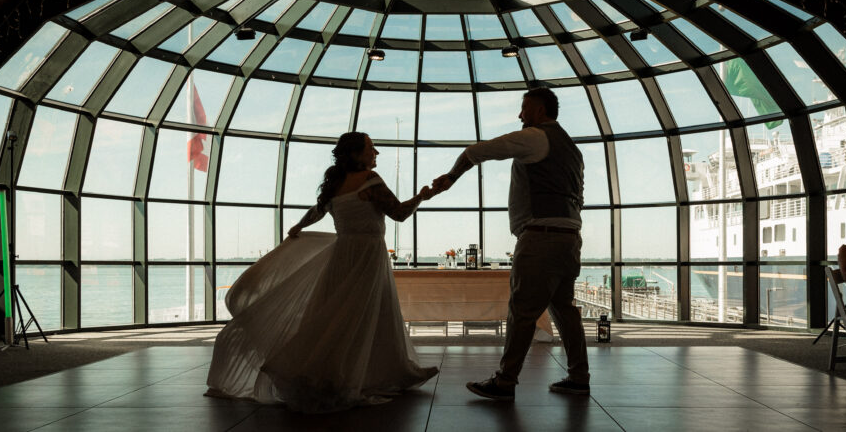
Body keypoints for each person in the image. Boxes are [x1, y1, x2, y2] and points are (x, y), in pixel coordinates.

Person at [205, 132, 438, 413]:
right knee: (370, 315)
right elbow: (399, 213)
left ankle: (335, 371)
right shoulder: (370, 181)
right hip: (368, 255)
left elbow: (317, 211)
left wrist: (298, 227)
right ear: (356, 154)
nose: (376, 153)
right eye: (371, 148)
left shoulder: (336, 185)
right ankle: (374, 372)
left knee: (336, 314)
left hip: (342, 256)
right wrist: (423, 196)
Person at [431, 87, 589, 401]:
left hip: (540, 238)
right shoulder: (572, 149)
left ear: (541, 111)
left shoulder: (535, 137)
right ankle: (579, 376)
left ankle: (505, 381)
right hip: (569, 240)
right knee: (564, 311)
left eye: (525, 109)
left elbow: (475, 151)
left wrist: (450, 178)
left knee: (522, 310)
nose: (520, 116)